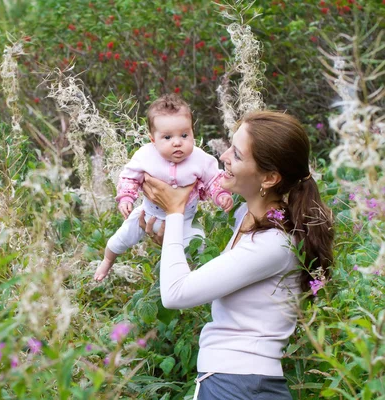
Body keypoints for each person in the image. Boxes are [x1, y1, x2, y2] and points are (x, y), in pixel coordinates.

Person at [139, 110, 334, 399]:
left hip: (239, 385)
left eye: (238, 155)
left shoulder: (273, 242)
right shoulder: (248, 217)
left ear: (269, 178)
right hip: (232, 381)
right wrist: (171, 239)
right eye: (230, 146)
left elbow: (175, 295)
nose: (224, 157)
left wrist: (175, 211)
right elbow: (212, 277)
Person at [94, 94, 234, 281]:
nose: (177, 142)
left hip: (185, 219)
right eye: (167, 137)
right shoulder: (145, 156)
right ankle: (107, 260)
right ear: (153, 139)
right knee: (121, 238)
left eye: (184, 135)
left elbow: (214, 180)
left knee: (199, 246)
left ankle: (196, 281)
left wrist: (221, 195)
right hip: (148, 214)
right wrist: (127, 197)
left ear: (193, 132)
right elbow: (129, 176)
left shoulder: (200, 159)